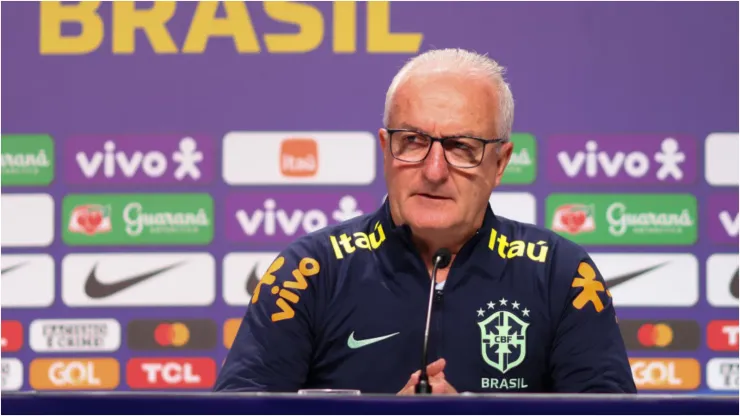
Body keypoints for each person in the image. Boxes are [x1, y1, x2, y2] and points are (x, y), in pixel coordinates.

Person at [214, 48, 637, 394]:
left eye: (460, 146)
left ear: (500, 162)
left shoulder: (561, 274)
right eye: (413, 141)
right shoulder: (309, 272)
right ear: (385, 147)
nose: (434, 169)